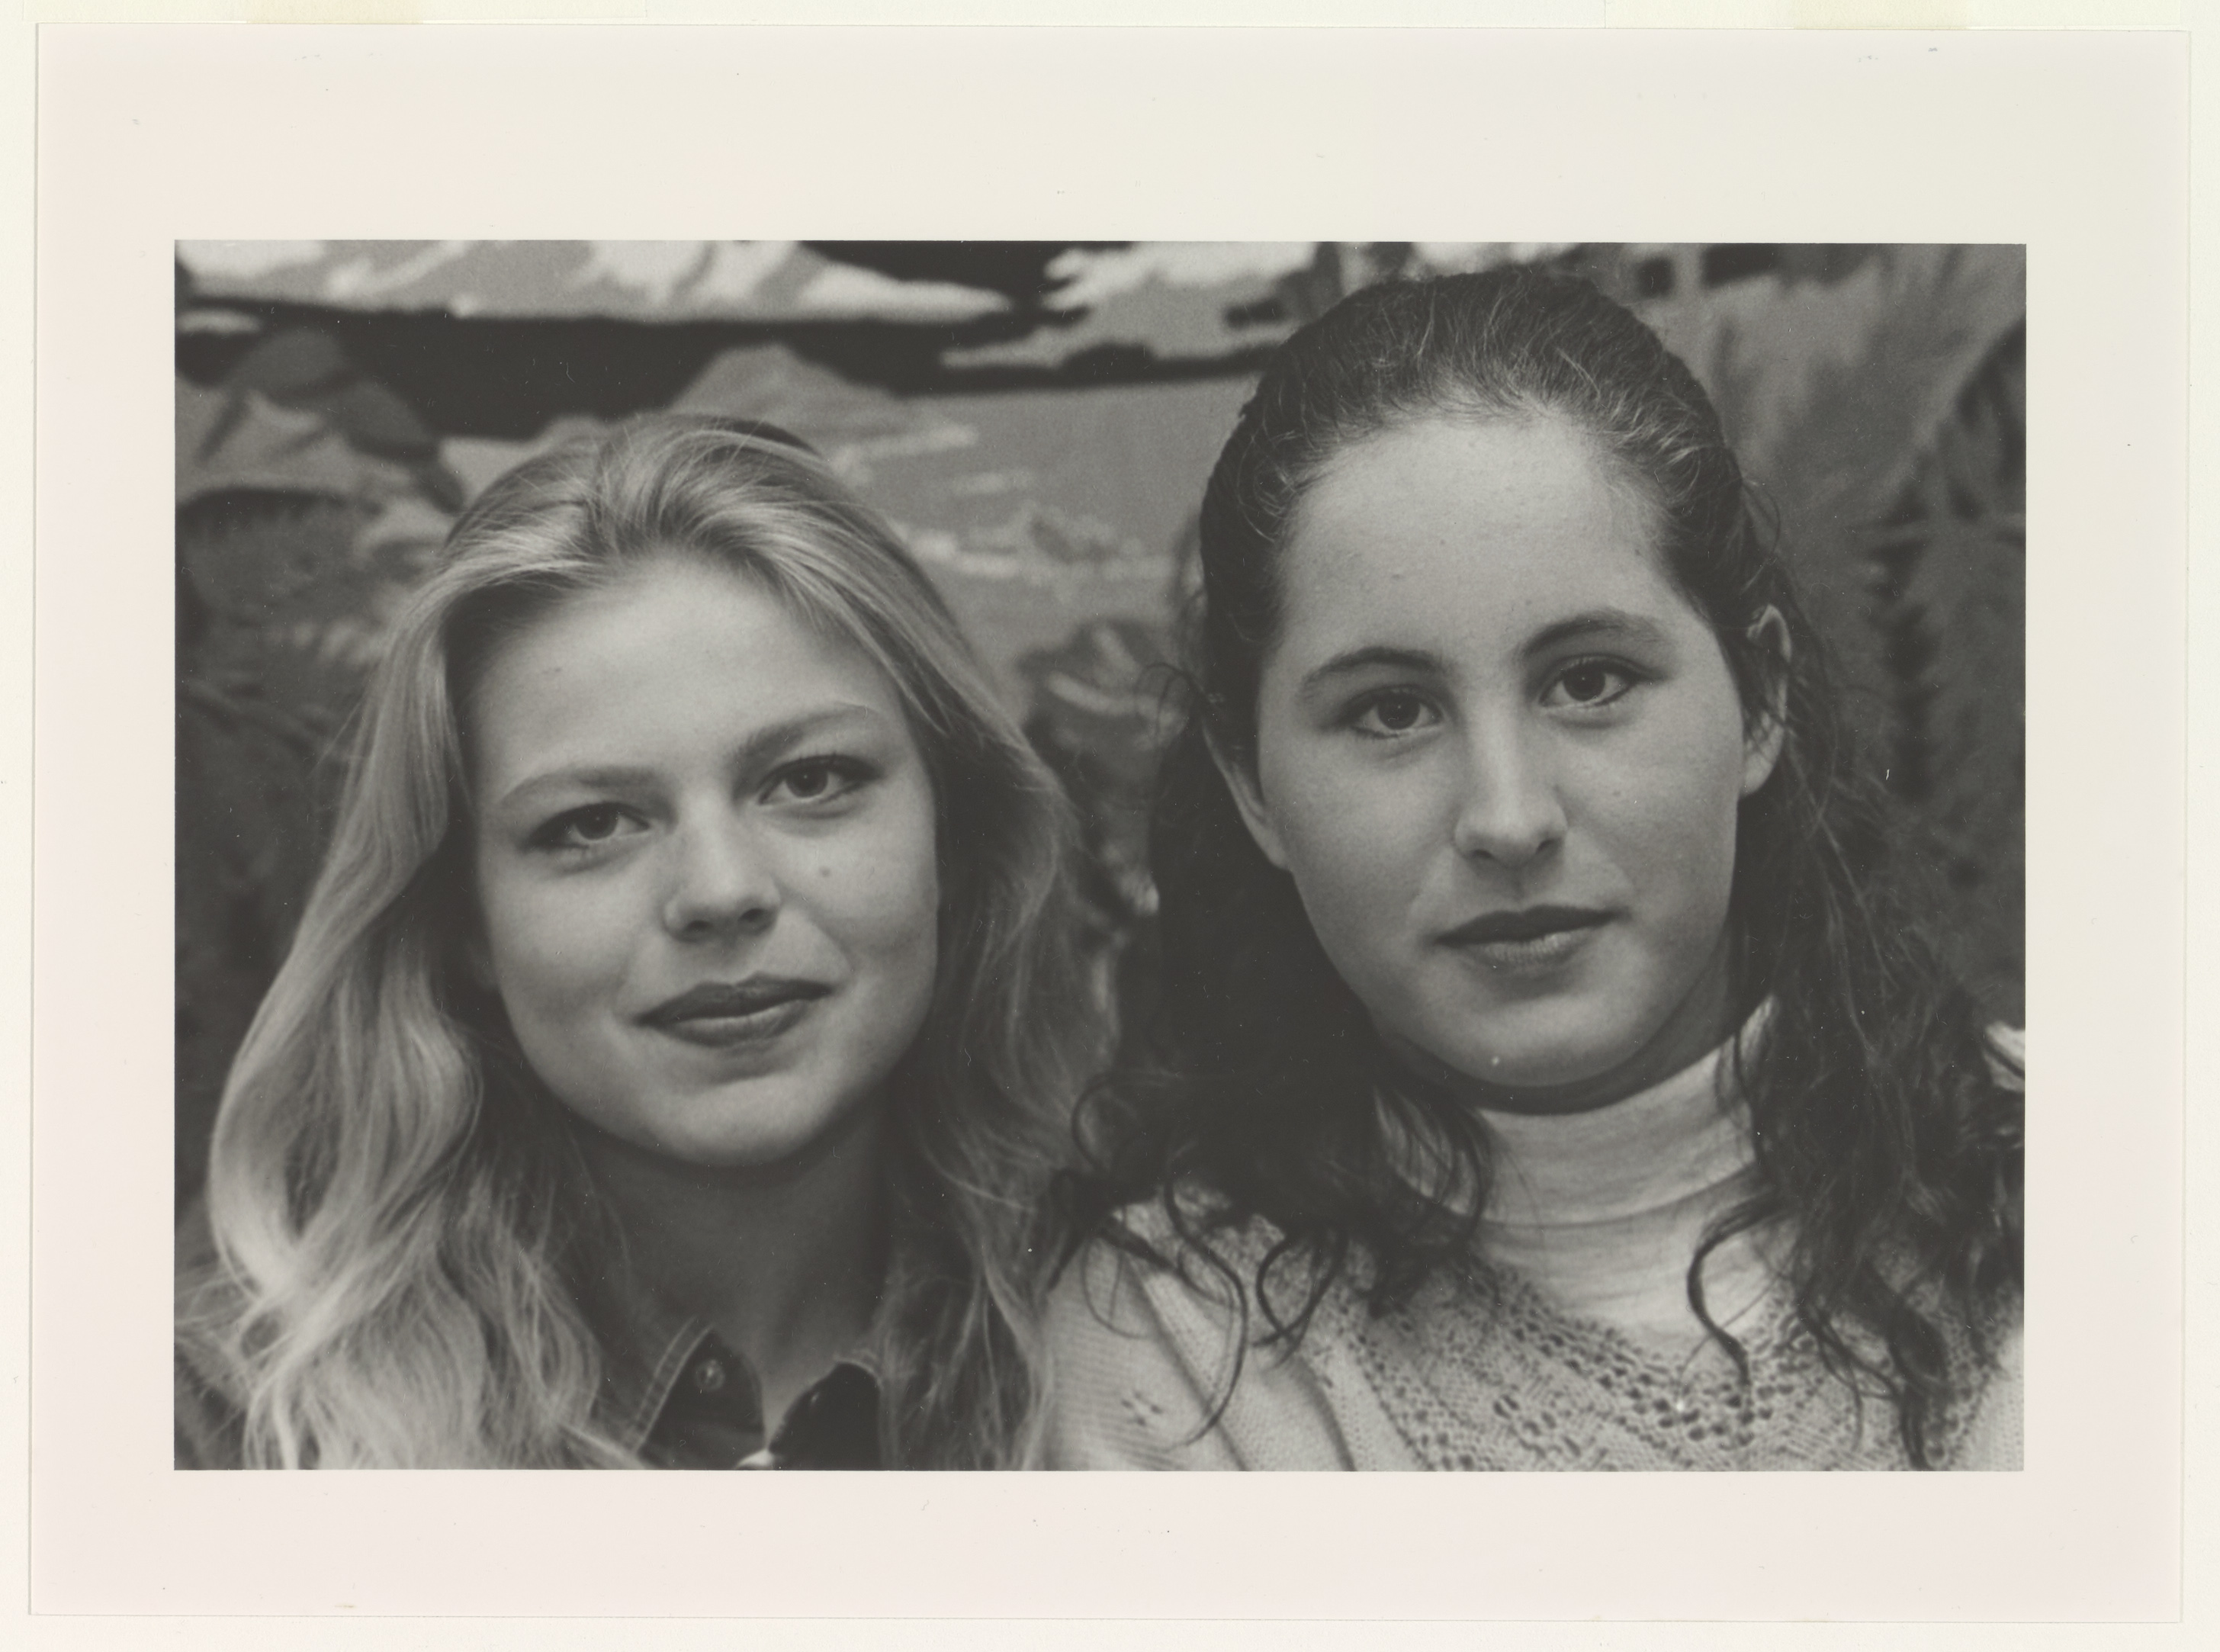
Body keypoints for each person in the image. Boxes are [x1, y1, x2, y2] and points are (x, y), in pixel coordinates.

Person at [1043, 266, 2024, 1471]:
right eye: (1392, 711)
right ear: (1253, 784)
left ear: (1760, 700)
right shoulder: (1175, 1358)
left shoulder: (2130, 1183)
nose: (1508, 819)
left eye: (1590, 681)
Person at [176, 416, 1095, 1469]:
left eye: (810, 780)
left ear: (956, 837)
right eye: (592, 824)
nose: (721, 891)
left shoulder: (1161, 1358)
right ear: (464, 925)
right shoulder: (220, 1436)